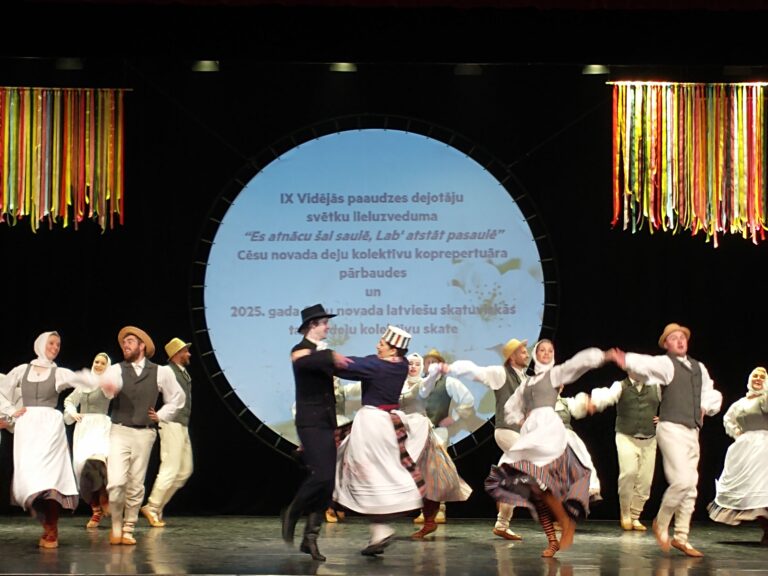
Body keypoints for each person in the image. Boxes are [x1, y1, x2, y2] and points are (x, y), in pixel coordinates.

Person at [333, 325, 470, 554]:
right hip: (389, 422)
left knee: (361, 471)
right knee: (376, 473)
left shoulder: (378, 366)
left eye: (382, 344)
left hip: (373, 423)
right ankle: (379, 530)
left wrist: (322, 357)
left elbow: (350, 367)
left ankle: (380, 528)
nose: (377, 346)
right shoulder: (400, 365)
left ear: (393, 349)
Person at [485, 339, 616, 558]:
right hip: (534, 442)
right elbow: (510, 408)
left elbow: (578, 365)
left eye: (550, 351)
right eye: (541, 351)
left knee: (545, 489)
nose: (545, 354)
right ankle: (553, 536)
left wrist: (602, 357)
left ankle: (561, 524)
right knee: (535, 490)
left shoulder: (561, 391)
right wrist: (521, 418)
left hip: (557, 446)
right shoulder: (528, 385)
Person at [614, 322, 722, 558]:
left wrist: (705, 406)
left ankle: (681, 536)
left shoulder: (699, 367)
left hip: (692, 430)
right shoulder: (666, 364)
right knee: (682, 481)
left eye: (682, 337)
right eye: (674, 338)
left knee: (691, 487)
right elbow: (648, 364)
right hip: (671, 428)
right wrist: (626, 359)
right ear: (666, 344)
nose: (680, 340)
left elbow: (710, 391)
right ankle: (661, 522)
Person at [0, 331, 98, 548]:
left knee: (50, 479)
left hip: (50, 428)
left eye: (58, 345)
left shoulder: (58, 373)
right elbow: (2, 390)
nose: (55, 348)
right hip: (27, 427)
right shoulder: (22, 370)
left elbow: (80, 378)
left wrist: (104, 380)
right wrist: (10, 410)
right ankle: (47, 525)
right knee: (30, 480)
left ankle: (51, 528)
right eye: (51, 343)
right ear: (41, 344)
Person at [92, 326, 186, 546]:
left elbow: (178, 398)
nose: (125, 345)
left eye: (130, 341)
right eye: (124, 342)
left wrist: (161, 415)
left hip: (145, 434)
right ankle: (116, 524)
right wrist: (108, 387)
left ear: (142, 346)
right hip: (119, 430)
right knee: (116, 483)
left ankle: (128, 527)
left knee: (136, 483)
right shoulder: (116, 369)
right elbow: (107, 392)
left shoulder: (160, 372)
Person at [281, 304, 350, 562]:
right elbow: (305, 361)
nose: (328, 327)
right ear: (313, 325)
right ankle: (291, 512)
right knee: (321, 475)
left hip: (326, 421)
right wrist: (331, 355)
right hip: (310, 421)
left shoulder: (320, 352)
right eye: (324, 323)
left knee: (328, 482)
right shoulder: (300, 350)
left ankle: (310, 537)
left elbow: (339, 366)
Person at [448, 337, 530, 541]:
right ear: (512, 357)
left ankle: (502, 523)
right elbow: (477, 372)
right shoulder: (501, 374)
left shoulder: (525, 379)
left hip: (519, 433)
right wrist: (451, 367)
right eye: (522, 351)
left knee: (512, 478)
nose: (527, 354)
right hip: (507, 431)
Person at [589, 371, 661, 531]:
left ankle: (635, 516)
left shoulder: (656, 386)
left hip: (649, 438)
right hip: (626, 436)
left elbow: (673, 402)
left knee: (645, 480)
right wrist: (594, 402)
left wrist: (665, 417)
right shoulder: (620, 386)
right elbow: (606, 397)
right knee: (629, 473)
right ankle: (626, 513)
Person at [412, 348, 474, 525]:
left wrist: (453, 417)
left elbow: (468, 399)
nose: (430, 365)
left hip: (438, 431)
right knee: (421, 470)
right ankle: (425, 511)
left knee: (437, 470)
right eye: (428, 362)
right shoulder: (420, 384)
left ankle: (440, 509)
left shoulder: (448, 382)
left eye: (434, 362)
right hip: (420, 432)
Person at [707, 366, 768, 546]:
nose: (758, 378)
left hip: (764, 445)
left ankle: (767, 531)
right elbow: (728, 418)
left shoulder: (765, 398)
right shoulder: (741, 402)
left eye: (762, 376)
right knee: (750, 490)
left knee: (762, 487)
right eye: (755, 375)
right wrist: (737, 433)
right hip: (745, 447)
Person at [141, 337, 195, 528]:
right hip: (171, 424)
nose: (189, 354)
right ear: (176, 354)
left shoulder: (183, 372)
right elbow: (149, 388)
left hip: (182, 424)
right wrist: (156, 414)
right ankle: (153, 506)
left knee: (185, 470)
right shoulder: (166, 371)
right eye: (185, 351)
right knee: (170, 468)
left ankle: (157, 507)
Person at [64, 352, 114, 529]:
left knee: (98, 462)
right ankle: (95, 509)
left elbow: (111, 393)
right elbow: (69, 400)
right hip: (84, 428)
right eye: (96, 361)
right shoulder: (83, 386)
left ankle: (105, 498)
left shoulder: (108, 384)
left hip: (100, 426)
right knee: (82, 468)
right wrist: (73, 412)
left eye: (102, 363)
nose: (98, 365)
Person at [555, 387, 603, 503]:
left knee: (583, 458)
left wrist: (586, 403)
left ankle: (592, 490)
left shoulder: (565, 402)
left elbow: (578, 406)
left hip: (566, 434)